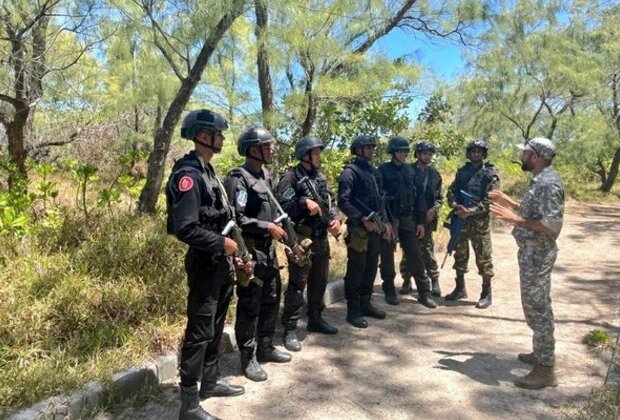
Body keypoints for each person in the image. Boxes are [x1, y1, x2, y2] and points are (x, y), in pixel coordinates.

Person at [165, 109, 251, 420]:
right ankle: (188, 406)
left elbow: (225, 221)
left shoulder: (209, 171)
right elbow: (184, 227)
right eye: (218, 134)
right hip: (204, 263)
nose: (223, 138)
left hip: (221, 264)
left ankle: (210, 382)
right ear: (204, 136)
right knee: (199, 331)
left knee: (215, 325)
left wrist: (237, 252)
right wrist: (220, 244)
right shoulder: (188, 175)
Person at [489, 137, 563, 389]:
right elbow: (534, 212)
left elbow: (552, 225)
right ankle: (540, 352)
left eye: (525, 153)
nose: (522, 156)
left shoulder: (549, 184)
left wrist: (515, 220)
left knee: (537, 307)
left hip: (538, 255)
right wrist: (509, 203)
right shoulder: (540, 181)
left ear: (536, 157)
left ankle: (545, 369)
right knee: (534, 305)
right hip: (531, 253)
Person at [224, 126, 292, 383]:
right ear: (253, 149)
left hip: (269, 250)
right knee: (250, 304)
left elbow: (274, 210)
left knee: (272, 297)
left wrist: (283, 231)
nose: (271, 150)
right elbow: (237, 219)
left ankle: (265, 346)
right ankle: (248, 356)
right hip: (250, 249)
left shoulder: (266, 175)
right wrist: (267, 227)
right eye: (267, 146)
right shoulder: (238, 179)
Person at [278, 136, 341, 352]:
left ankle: (315, 318)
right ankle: (290, 327)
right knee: (297, 283)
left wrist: (335, 219)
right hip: (302, 238)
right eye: (315, 153)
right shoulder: (290, 177)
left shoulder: (320, 177)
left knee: (319, 280)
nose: (318, 156)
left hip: (321, 237)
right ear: (304, 155)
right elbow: (283, 207)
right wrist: (304, 203)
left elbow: (330, 201)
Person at [337, 134, 393, 328]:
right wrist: (361, 219)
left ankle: (365, 303)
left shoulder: (374, 172)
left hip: (375, 226)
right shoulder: (349, 173)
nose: (370, 150)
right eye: (366, 147)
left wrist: (384, 222)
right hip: (358, 229)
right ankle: (353, 311)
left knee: (371, 267)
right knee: (356, 269)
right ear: (358, 150)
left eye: (371, 147)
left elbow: (381, 200)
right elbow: (343, 201)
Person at [378, 136, 437, 308]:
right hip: (389, 219)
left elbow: (419, 197)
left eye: (405, 151)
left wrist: (420, 221)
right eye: (399, 151)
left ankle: (424, 293)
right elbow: (379, 197)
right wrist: (385, 222)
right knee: (387, 258)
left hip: (408, 219)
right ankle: (389, 290)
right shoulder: (383, 170)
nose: (403, 154)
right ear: (392, 152)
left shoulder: (410, 171)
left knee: (415, 256)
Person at [445, 139, 499, 309]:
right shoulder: (462, 172)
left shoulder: (490, 174)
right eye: (473, 151)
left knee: (483, 258)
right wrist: (454, 204)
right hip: (461, 219)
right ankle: (460, 288)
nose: (475, 154)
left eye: (479, 151)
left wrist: (472, 210)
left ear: (484, 154)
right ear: (468, 153)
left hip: (479, 223)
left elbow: (491, 201)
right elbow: (451, 191)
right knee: (460, 255)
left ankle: (486, 293)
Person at [400, 140, 443, 297]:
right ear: (417, 154)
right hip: (410, 217)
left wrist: (434, 209)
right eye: (424, 153)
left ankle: (434, 281)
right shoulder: (408, 170)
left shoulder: (434, 174)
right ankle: (406, 280)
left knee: (427, 250)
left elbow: (439, 198)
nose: (427, 156)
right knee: (408, 251)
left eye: (430, 153)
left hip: (427, 218)